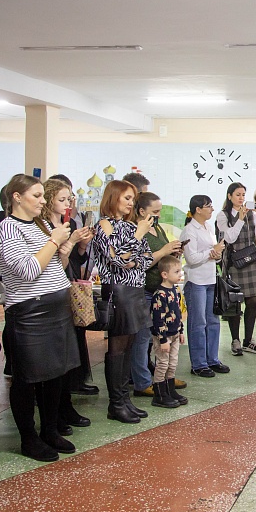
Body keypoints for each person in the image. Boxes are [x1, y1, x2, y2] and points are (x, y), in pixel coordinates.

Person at [0, 174, 80, 461]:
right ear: (17, 197)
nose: (43, 201)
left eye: (43, 195)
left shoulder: (41, 225)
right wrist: (54, 241)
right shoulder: (8, 228)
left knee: (55, 374)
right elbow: (28, 270)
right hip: (30, 311)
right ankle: (28, 438)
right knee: (27, 378)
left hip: (56, 307)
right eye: (37, 195)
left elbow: (56, 266)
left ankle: (50, 430)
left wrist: (64, 248)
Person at [92, 180, 153, 424]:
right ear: (113, 197)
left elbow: (146, 258)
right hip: (118, 291)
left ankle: (124, 399)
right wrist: (136, 239)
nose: (131, 203)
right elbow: (116, 259)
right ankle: (115, 403)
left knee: (129, 345)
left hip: (135, 289)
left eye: (132, 199)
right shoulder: (104, 225)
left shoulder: (129, 226)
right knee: (117, 347)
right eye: (127, 198)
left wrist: (132, 257)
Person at [41, 179, 95, 432]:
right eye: (62, 199)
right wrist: (71, 241)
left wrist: (81, 245)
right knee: (53, 357)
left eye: (69, 199)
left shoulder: (69, 223)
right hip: (49, 290)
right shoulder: (41, 226)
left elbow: (74, 259)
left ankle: (66, 404)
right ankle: (54, 413)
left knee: (70, 350)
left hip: (68, 285)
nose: (67, 204)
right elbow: (54, 262)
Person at [131, 192, 184, 396]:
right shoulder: (137, 231)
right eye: (155, 211)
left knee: (160, 337)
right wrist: (164, 251)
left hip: (161, 292)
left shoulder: (157, 227)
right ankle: (142, 381)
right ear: (141, 211)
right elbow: (139, 263)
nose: (158, 215)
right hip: (145, 291)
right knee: (143, 338)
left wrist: (173, 253)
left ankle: (162, 376)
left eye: (160, 211)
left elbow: (162, 256)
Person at [216, 183, 256, 355]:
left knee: (253, 301)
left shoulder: (251, 213)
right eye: (238, 194)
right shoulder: (223, 215)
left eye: (243, 194)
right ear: (229, 196)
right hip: (233, 262)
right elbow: (229, 238)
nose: (241, 198)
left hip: (251, 260)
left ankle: (248, 340)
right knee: (235, 302)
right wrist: (239, 219)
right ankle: (235, 340)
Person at [181, 194, 228, 377]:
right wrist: (212, 252)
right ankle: (198, 364)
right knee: (198, 323)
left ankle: (212, 359)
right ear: (198, 209)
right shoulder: (189, 230)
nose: (212, 209)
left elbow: (211, 252)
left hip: (210, 279)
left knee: (213, 321)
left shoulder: (208, 227)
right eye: (208, 206)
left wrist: (216, 254)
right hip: (196, 281)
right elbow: (191, 258)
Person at [149, 255, 188, 408]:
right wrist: (163, 339)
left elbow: (178, 313)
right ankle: (159, 394)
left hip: (175, 334)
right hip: (164, 337)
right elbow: (158, 319)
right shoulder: (160, 295)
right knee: (162, 364)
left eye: (180, 271)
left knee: (172, 363)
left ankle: (170, 390)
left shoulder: (175, 291)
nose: (180, 274)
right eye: (176, 272)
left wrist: (181, 330)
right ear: (164, 274)